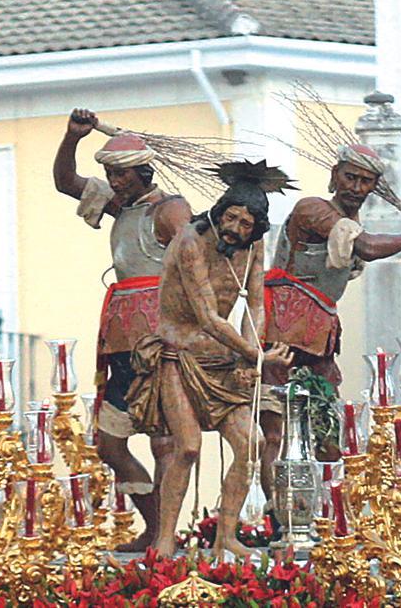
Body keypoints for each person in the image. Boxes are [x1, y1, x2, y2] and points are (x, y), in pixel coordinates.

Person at [127, 161, 294, 558]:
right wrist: (256, 354)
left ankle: (226, 535)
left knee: (251, 443)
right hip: (179, 356)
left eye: (246, 223)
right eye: (231, 217)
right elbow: (206, 316)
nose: (236, 228)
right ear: (219, 212)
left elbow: (255, 304)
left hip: (224, 359)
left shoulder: (253, 246)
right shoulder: (190, 242)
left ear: (257, 227)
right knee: (186, 447)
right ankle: (165, 536)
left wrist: (250, 360)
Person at [52, 108, 192, 551]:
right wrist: (72, 138)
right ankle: (153, 527)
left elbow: (196, 259)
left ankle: (164, 534)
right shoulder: (120, 207)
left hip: (159, 340)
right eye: (110, 174)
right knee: (109, 443)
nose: (113, 182)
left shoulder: (169, 209)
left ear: (141, 172)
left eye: (120, 175)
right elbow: (65, 181)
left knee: (164, 439)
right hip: (120, 340)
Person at [261, 143, 401, 472]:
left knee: (330, 432)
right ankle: (277, 516)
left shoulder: (350, 221)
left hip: (318, 334)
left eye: (365, 181)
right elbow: (365, 246)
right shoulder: (313, 209)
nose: (356, 187)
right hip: (283, 327)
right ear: (334, 175)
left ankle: (327, 513)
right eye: (350, 177)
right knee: (277, 430)